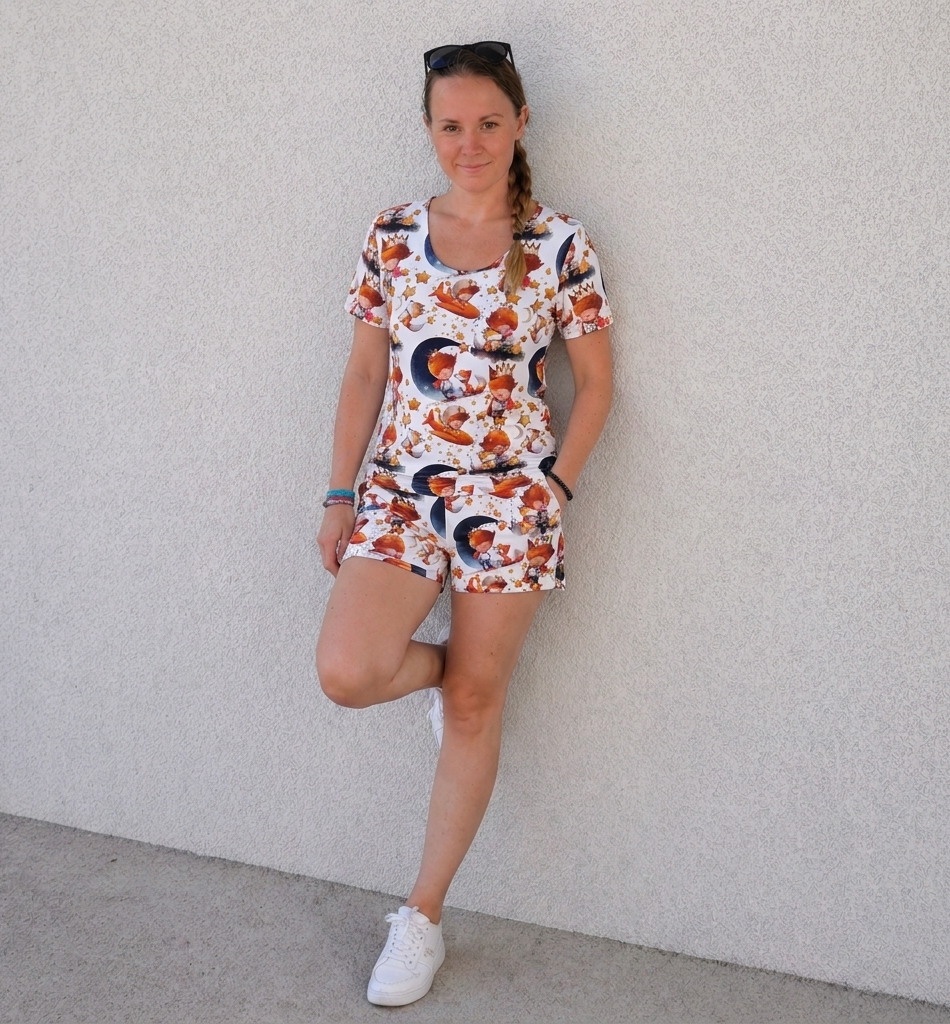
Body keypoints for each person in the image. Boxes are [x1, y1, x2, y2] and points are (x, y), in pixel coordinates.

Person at [315, 40, 614, 1007]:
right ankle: (456, 671)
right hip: (402, 495)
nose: (470, 143)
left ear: (520, 122)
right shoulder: (395, 234)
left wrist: (552, 489)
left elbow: (597, 385)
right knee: (349, 671)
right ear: (429, 130)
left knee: (479, 707)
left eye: (489, 122)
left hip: (511, 505)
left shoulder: (559, 244)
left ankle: (423, 917)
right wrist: (340, 493)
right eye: (451, 126)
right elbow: (367, 370)